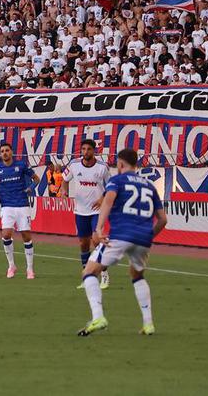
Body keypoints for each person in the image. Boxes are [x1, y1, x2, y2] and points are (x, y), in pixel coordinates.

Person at [77, 148, 167, 337]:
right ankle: (148, 324)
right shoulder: (149, 185)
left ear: (120, 164)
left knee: (89, 272)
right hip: (143, 238)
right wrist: (149, 236)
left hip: (121, 235)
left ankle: (98, 317)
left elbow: (108, 201)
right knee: (137, 275)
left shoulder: (117, 180)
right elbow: (163, 219)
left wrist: (99, 229)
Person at [62, 138, 110, 282]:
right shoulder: (74, 164)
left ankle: (104, 273)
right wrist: (64, 192)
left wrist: (102, 198)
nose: (85, 152)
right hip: (80, 211)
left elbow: (111, 186)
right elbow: (65, 179)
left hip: (97, 211)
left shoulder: (102, 167)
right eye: (83, 149)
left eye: (88, 149)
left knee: (96, 240)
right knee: (83, 243)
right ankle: (86, 275)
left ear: (94, 151)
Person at [0, 143, 38, 279]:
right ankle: (11, 265)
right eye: (2, 151)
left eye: (7, 150)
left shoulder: (22, 165)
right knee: (6, 235)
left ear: (12, 152)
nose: (4, 153)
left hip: (22, 204)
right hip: (7, 205)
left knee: (26, 236)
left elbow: (36, 179)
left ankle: (29, 269)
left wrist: (31, 187)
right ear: (0, 154)